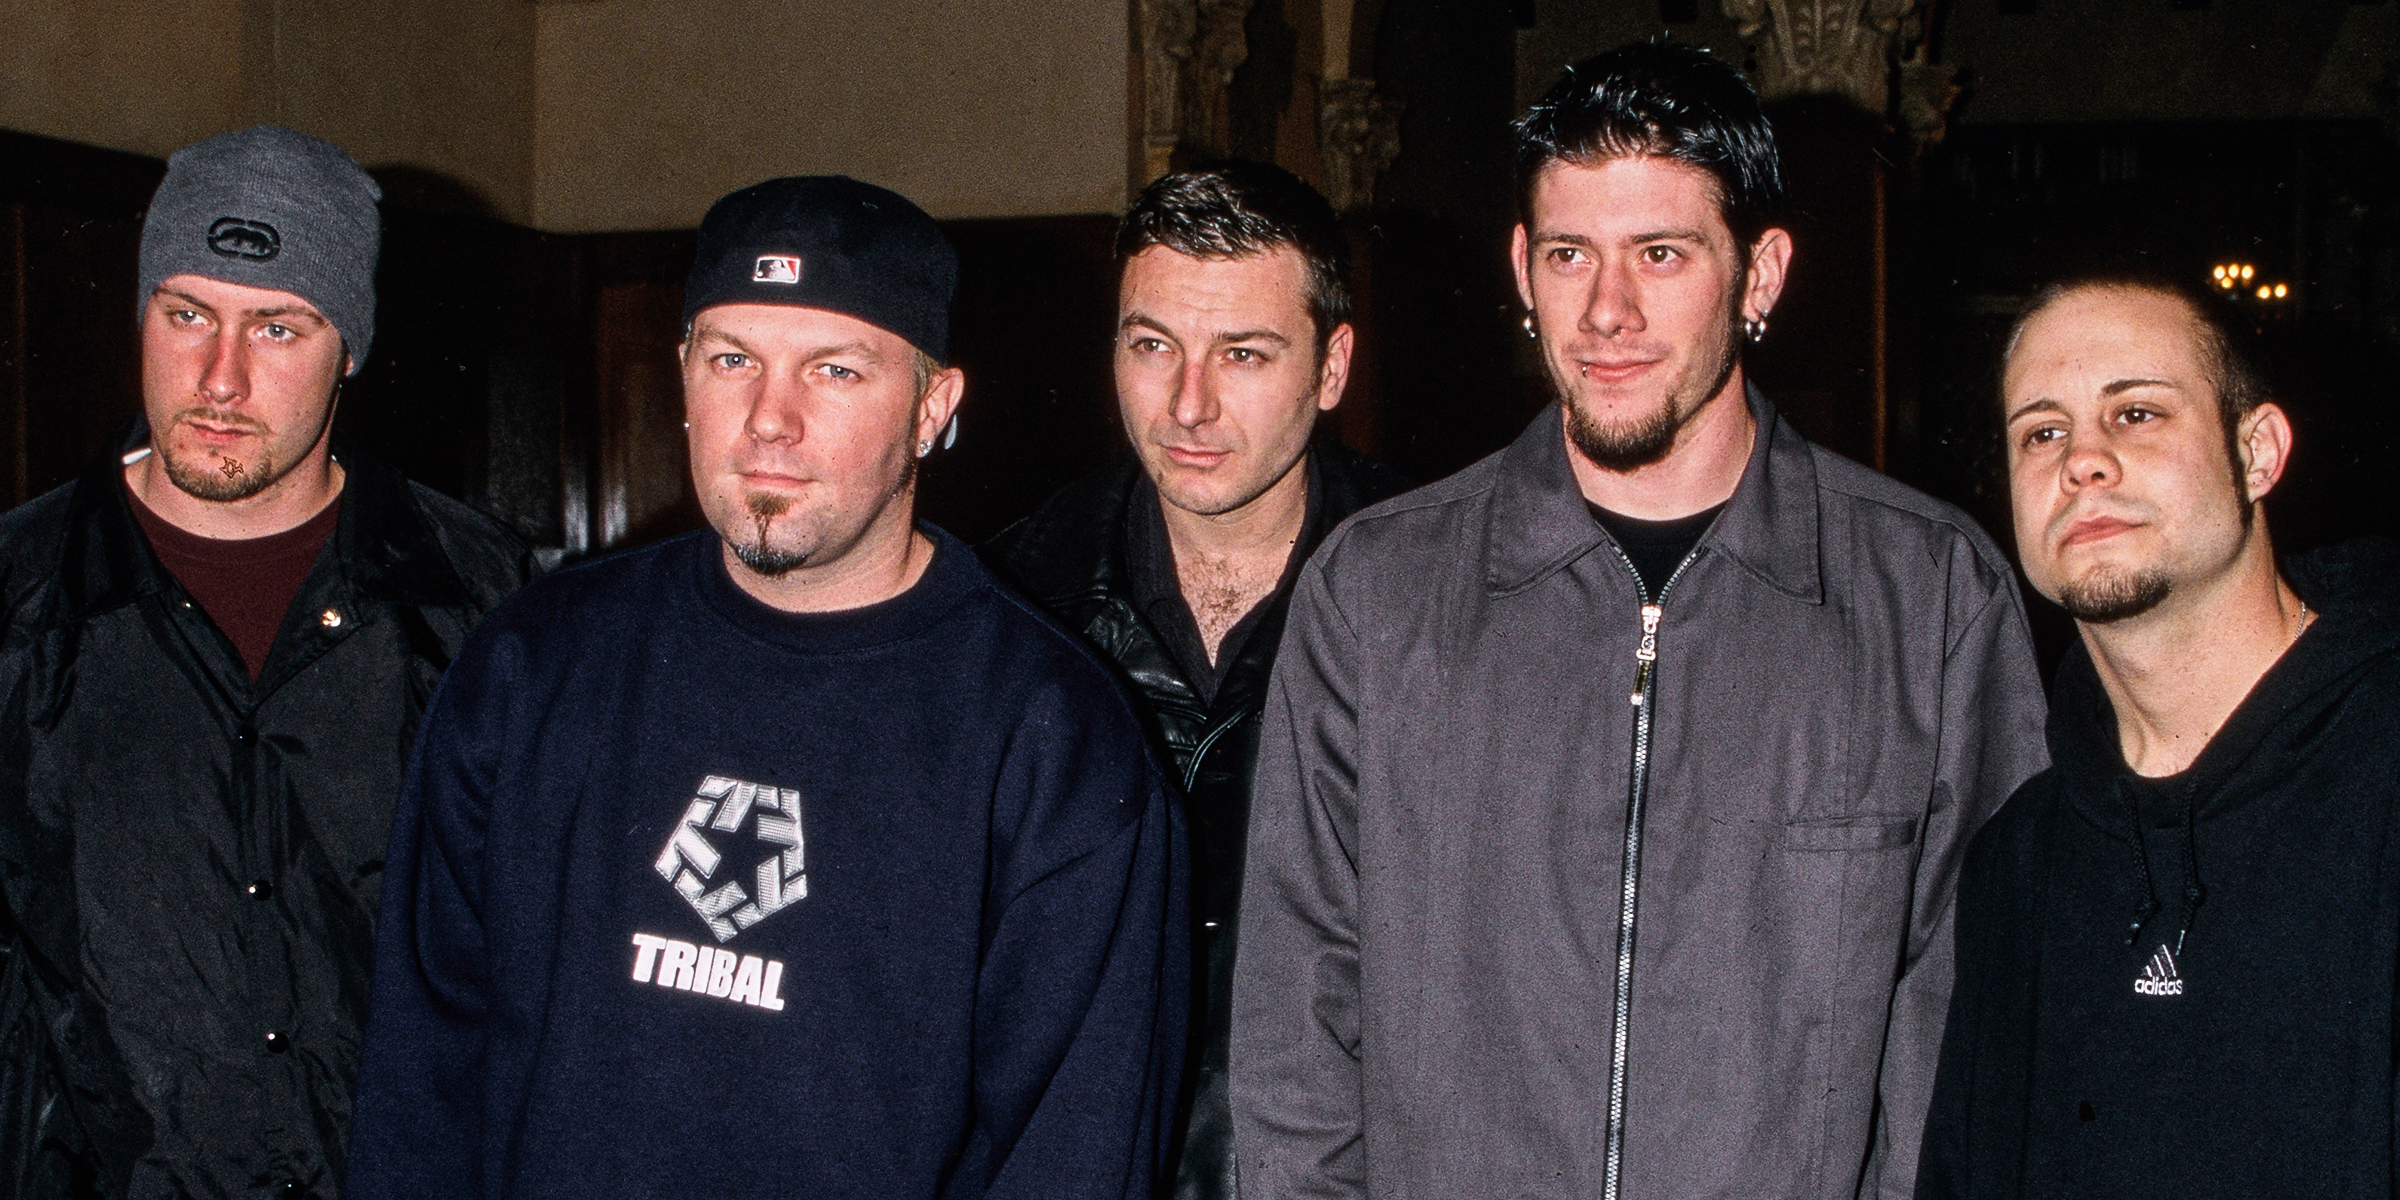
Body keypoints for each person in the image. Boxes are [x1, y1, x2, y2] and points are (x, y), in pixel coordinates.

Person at [1229, 41, 2050, 1200]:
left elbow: (1971, 1043)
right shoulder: (1377, 595)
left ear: (1760, 277)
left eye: (1661, 254)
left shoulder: (1930, 600)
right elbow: (1296, 1030)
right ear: (1523, 271)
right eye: (1571, 254)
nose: (1607, 311)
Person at [345, 176, 1185, 1200]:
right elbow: (419, 1092)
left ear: (932, 408)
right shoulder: (532, 664)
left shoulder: (1056, 739)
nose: (769, 420)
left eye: (834, 370)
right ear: (683, 376)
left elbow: (1075, 1158)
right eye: (733, 359)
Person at [0, 125, 532, 1198]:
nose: (220, 377)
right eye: (187, 313)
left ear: (351, 350)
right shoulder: (19, 596)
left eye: (277, 327)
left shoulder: (479, 599)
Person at [1918, 271, 2400, 1198]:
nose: (2082, 461)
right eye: (2042, 432)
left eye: (2135, 414)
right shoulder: (2019, 860)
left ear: (2257, 452)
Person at [982, 160, 1404, 1200]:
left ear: (1333, 367)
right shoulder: (1004, 609)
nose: (1188, 403)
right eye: (1153, 346)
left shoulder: (1443, 607)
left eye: (1243, 354)